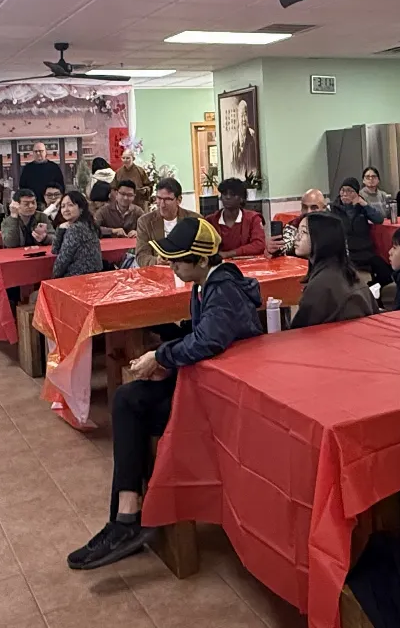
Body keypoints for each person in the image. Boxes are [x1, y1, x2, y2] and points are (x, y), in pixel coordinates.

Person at [66, 217, 263, 571]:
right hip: (204, 381)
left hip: (221, 397)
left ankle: (127, 519)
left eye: (178, 260)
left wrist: (160, 355)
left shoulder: (224, 289)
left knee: (131, 405)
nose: (171, 266)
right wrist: (167, 354)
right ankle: (127, 514)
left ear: (202, 260)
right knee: (128, 400)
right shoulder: (205, 285)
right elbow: (198, 333)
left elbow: (209, 340)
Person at [289, 212, 377, 328]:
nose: (297, 237)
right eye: (298, 232)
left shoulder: (322, 283)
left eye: (304, 232)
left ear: (322, 238)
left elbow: (299, 329)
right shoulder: (348, 272)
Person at [331, 177, 390, 286]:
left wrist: (365, 205)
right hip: (348, 253)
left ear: (356, 193)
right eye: (342, 190)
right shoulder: (334, 209)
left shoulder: (361, 207)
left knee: (387, 274)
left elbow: (379, 219)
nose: (345, 193)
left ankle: (373, 289)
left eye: (349, 190)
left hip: (366, 252)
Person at [134, 178, 197, 268]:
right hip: (158, 274)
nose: (162, 205)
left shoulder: (194, 220)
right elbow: (141, 255)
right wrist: (156, 261)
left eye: (167, 199)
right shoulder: (144, 222)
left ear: (179, 200)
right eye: (159, 198)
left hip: (187, 272)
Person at [207, 177, 266, 259]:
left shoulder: (253, 219)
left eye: (232, 194)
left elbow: (259, 245)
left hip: (249, 266)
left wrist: (228, 254)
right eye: (224, 194)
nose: (227, 197)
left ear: (242, 198)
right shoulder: (210, 220)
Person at [52, 191, 103, 280]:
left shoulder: (76, 229)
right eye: (63, 206)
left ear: (81, 208)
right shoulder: (89, 224)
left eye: (70, 205)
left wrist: (53, 278)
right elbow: (55, 250)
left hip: (77, 280)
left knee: (35, 294)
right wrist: (61, 228)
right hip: (93, 279)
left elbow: (62, 262)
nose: (66, 209)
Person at [230, 99, 259, 177]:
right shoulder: (235, 142)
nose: (243, 119)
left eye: (245, 115)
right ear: (238, 118)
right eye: (241, 115)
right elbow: (233, 167)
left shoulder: (252, 134)